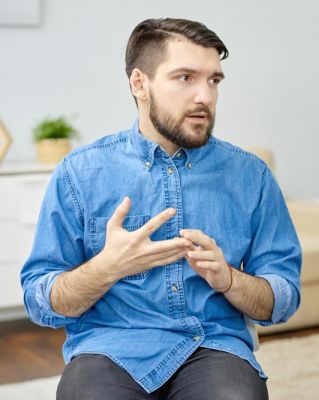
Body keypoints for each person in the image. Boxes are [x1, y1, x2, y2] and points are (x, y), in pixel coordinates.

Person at [20, 18, 301, 400]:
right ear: (140, 84)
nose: (205, 96)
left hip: (214, 347)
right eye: (185, 78)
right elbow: (40, 300)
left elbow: (283, 299)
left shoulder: (251, 176)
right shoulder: (80, 173)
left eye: (214, 80)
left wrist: (230, 280)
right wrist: (107, 268)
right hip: (109, 348)